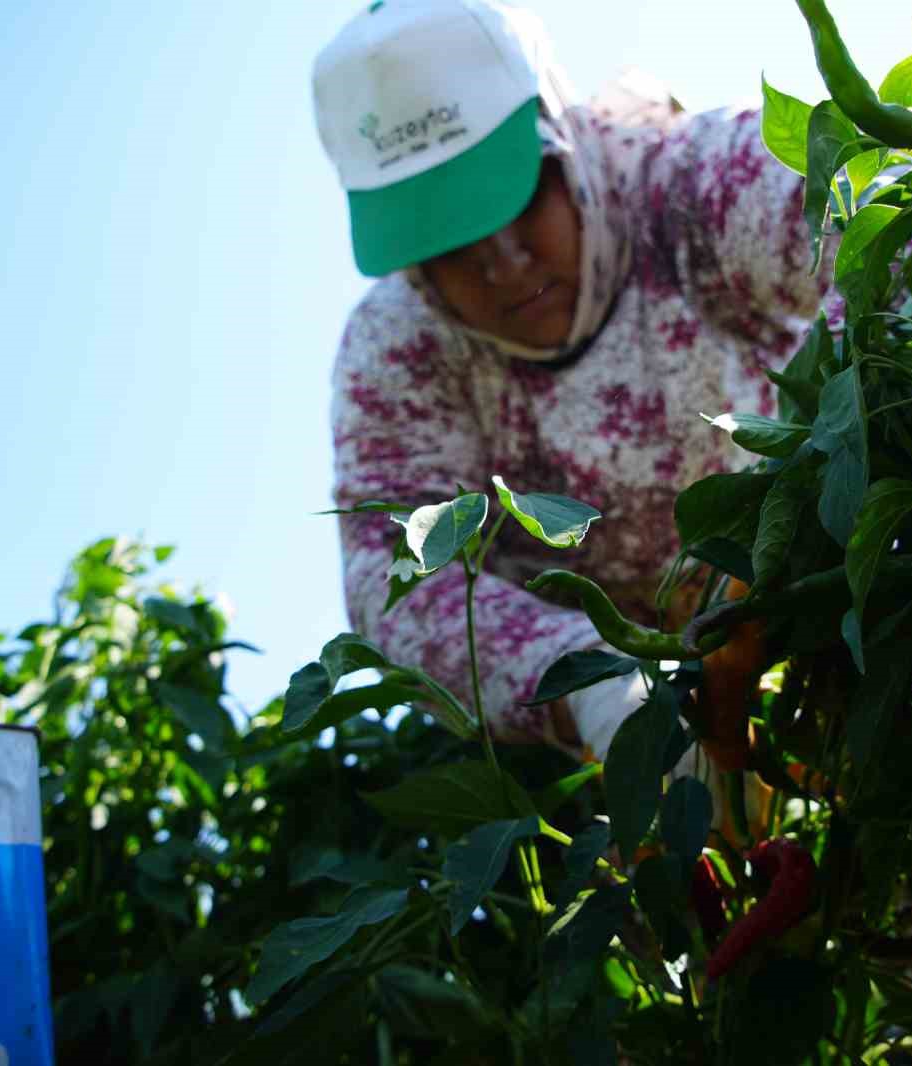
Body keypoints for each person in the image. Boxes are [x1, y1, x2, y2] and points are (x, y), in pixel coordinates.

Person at [311, 0, 837, 819]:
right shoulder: (402, 352)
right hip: (627, 732)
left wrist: (792, 526)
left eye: (518, 200)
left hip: (830, 616)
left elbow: (897, 234)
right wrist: (598, 690)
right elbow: (395, 580)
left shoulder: (685, 183)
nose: (505, 266)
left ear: (561, 136)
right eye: (450, 245)